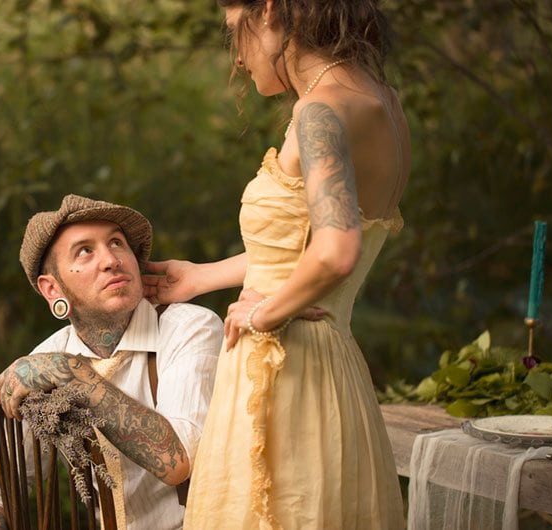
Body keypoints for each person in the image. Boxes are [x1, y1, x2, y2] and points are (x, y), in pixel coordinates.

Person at [143, 1, 410, 528]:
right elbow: (303, 251)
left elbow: (335, 251)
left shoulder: (319, 112)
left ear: (266, 11)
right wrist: (203, 276)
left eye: (231, 32)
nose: (237, 60)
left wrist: (262, 316)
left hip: (285, 374)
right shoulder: (384, 103)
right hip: (337, 378)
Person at [0, 194, 223, 530]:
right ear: (53, 289)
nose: (111, 260)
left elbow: (179, 461)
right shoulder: (45, 361)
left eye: (116, 242)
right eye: (85, 251)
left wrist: (72, 375)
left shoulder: (189, 327)